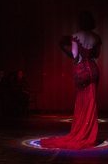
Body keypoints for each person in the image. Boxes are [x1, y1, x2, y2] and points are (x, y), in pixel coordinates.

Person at [40, 11, 102, 150]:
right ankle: (90, 134)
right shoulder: (97, 37)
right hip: (93, 70)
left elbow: (74, 55)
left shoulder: (75, 36)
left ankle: (80, 132)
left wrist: (62, 47)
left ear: (80, 22)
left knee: (81, 101)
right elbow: (96, 55)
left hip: (80, 71)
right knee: (92, 103)